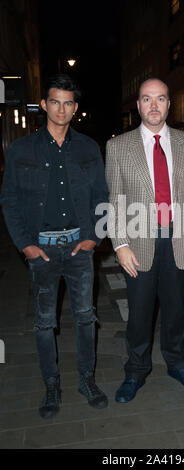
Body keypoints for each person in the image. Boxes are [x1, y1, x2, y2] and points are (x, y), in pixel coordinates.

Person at [0, 74, 109, 419]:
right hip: (42, 252)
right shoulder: (21, 149)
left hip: (80, 248)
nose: (61, 109)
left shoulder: (89, 147)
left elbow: (102, 197)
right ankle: (51, 385)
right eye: (54, 102)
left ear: (75, 108)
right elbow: (9, 199)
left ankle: (87, 380)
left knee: (85, 317)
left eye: (68, 103)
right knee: (44, 323)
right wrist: (25, 246)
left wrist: (94, 237)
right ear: (45, 105)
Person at [106, 78, 184, 403]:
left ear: (168, 104)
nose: (153, 106)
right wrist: (119, 245)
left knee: (177, 311)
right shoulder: (118, 146)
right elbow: (114, 199)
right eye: (147, 99)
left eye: (160, 99)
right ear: (138, 105)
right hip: (139, 246)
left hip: (179, 242)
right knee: (139, 314)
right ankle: (135, 371)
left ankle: (177, 364)